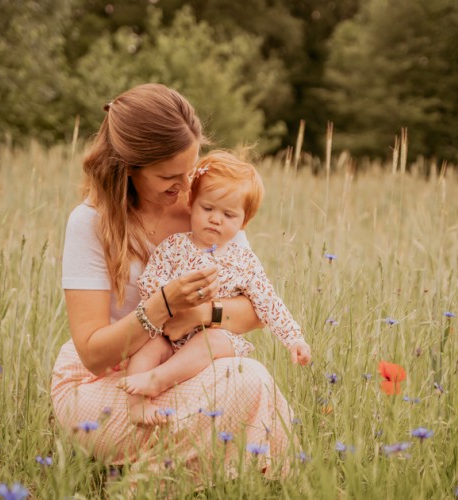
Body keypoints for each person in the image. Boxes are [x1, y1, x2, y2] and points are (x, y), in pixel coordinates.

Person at [50, 83, 297, 481]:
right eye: (169, 177)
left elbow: (254, 310)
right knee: (242, 388)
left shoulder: (208, 207)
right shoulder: (89, 223)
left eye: (191, 171)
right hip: (106, 381)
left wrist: (200, 312)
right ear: (129, 168)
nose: (185, 188)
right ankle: (147, 482)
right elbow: (94, 353)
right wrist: (160, 308)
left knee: (248, 378)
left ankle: (160, 476)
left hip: (180, 366)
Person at [118, 150, 312, 424]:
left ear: (243, 222)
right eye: (207, 209)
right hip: (170, 334)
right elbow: (149, 282)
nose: (215, 219)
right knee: (147, 346)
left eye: (228, 215)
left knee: (214, 339)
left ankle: (158, 380)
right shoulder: (175, 246)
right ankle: (137, 405)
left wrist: (294, 339)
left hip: (211, 341)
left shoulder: (243, 260)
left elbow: (268, 303)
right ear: (191, 204)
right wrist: (171, 298)